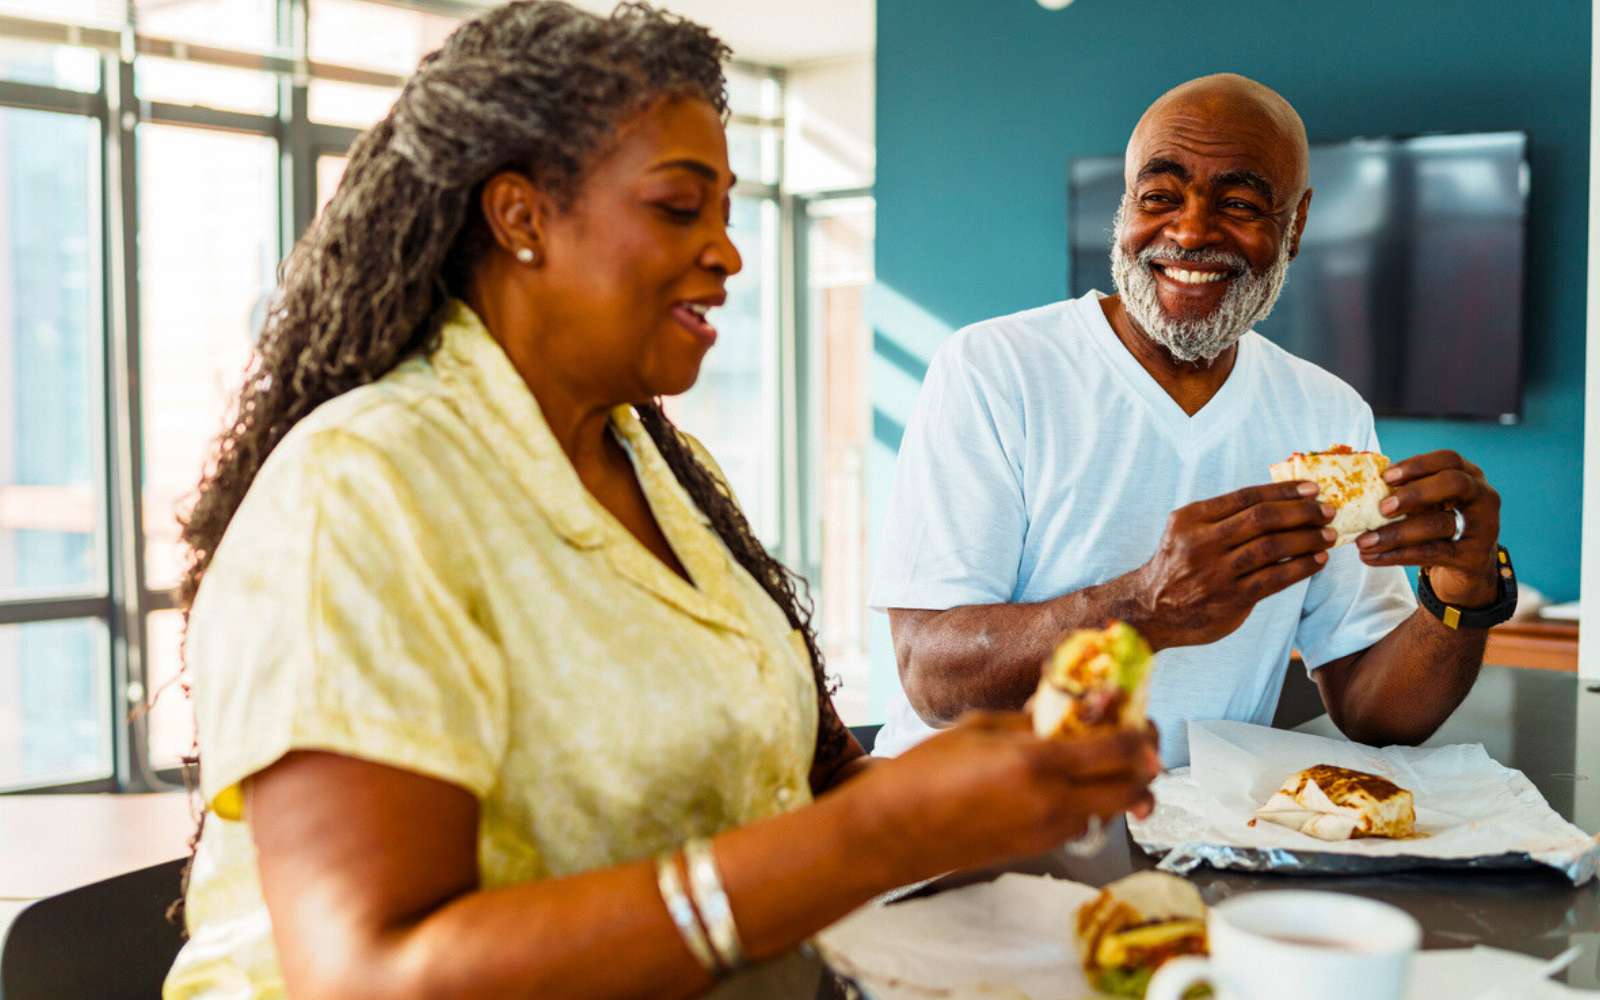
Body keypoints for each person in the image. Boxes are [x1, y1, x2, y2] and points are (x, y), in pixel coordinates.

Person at [161, 4, 1160, 998]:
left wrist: (995, 778)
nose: (727, 253)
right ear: (521, 216)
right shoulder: (359, 489)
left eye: (727, 212)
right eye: (680, 208)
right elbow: (371, 975)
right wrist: (872, 833)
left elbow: (798, 803)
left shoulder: (669, 476)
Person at [871, 73, 1511, 764]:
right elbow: (930, 676)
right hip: (975, 839)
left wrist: (1461, 590)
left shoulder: (1326, 411)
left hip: (1200, 843)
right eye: (1159, 197)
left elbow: (1375, 708)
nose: (1191, 230)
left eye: (1238, 202)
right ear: (1125, 211)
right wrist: (1143, 607)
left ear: (1294, 227)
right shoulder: (995, 370)